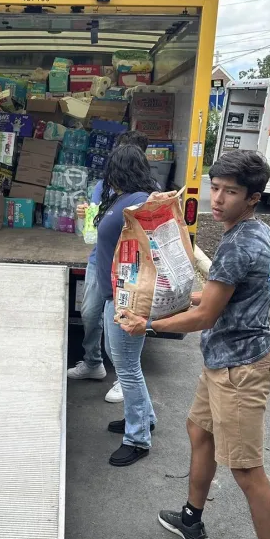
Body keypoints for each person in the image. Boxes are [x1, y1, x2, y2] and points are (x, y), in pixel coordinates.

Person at [120, 151, 270, 539]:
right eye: (215, 186)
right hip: (223, 362)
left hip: (241, 371)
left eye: (230, 191)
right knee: (199, 433)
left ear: (252, 198)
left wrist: (147, 326)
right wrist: (154, 305)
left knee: (247, 470)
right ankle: (192, 518)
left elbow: (204, 315)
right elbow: (212, 293)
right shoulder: (254, 232)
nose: (217, 197)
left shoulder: (240, 244)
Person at [68, 130, 150, 407]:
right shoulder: (103, 187)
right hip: (99, 263)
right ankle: (93, 364)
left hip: (128, 275)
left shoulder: (147, 195)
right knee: (90, 314)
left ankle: (125, 381)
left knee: (122, 336)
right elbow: (92, 231)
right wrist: (84, 216)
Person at [94, 144, 159, 467]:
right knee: (122, 361)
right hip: (115, 295)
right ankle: (143, 417)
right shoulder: (125, 198)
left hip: (127, 298)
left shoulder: (140, 201)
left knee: (128, 368)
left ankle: (137, 439)